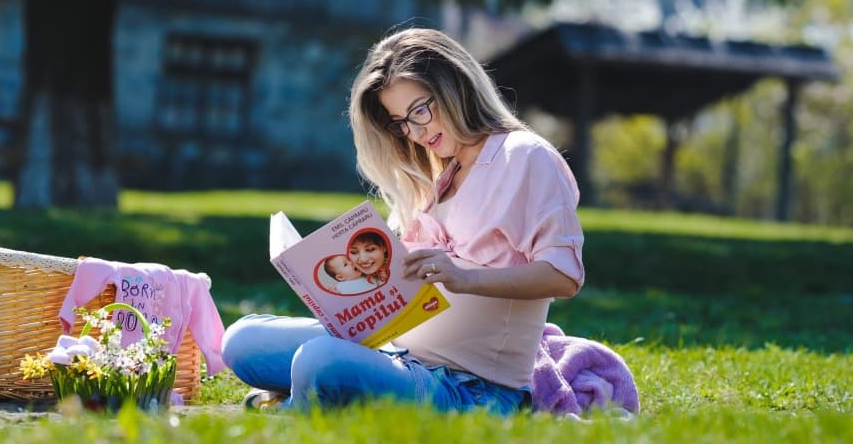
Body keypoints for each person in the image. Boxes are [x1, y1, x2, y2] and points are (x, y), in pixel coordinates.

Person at [222, 27, 585, 415]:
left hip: (467, 387)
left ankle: (300, 403)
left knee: (319, 360)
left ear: (456, 86)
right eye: (401, 122)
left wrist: (465, 278)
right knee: (242, 341)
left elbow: (563, 276)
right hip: (394, 351)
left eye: (419, 111)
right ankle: (318, 395)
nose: (415, 131)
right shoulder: (440, 172)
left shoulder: (525, 157)